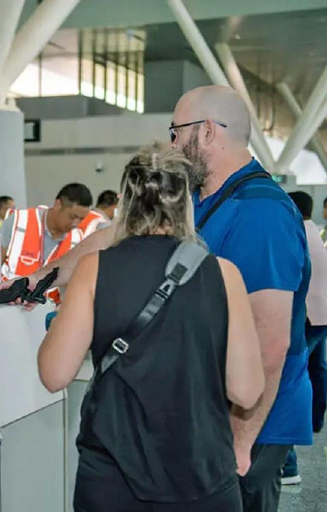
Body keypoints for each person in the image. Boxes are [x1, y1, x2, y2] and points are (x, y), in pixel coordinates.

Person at [8, 85, 311, 512]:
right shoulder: (201, 199)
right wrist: (41, 275)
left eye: (176, 131)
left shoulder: (259, 213)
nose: (171, 142)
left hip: (244, 430)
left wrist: (238, 444)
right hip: (192, 428)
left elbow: (269, 341)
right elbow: (115, 235)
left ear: (207, 131)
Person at [38, 144, 264, 512]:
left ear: (126, 201)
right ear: (186, 203)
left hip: (113, 479)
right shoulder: (224, 274)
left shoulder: (94, 269)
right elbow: (246, 390)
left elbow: (53, 373)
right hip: (203, 475)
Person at [281, 191, 327, 484]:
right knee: (317, 369)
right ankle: (315, 421)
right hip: (322, 315)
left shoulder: (297, 235)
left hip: (309, 316)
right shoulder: (316, 235)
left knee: (289, 378)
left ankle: (289, 465)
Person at [0, 183, 91, 302]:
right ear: (58, 205)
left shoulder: (77, 239)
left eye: (81, 219)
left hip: (47, 311)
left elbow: (73, 285)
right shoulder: (20, 221)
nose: (75, 224)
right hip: (8, 305)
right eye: (72, 216)